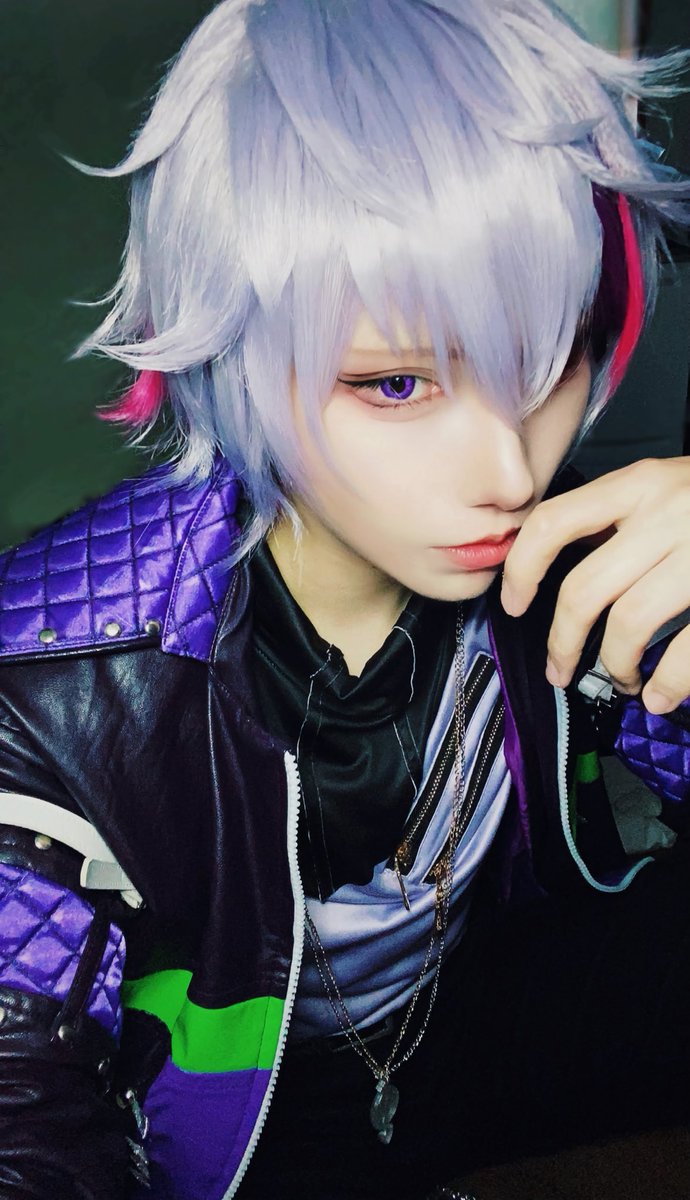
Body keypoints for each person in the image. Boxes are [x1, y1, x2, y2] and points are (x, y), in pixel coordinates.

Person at [0, 1, 690, 1197]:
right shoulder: (54, 682)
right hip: (217, 1123)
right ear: (234, 354)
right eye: (398, 384)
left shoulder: (579, 552)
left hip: (472, 1032)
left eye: (547, 360)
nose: (510, 470)